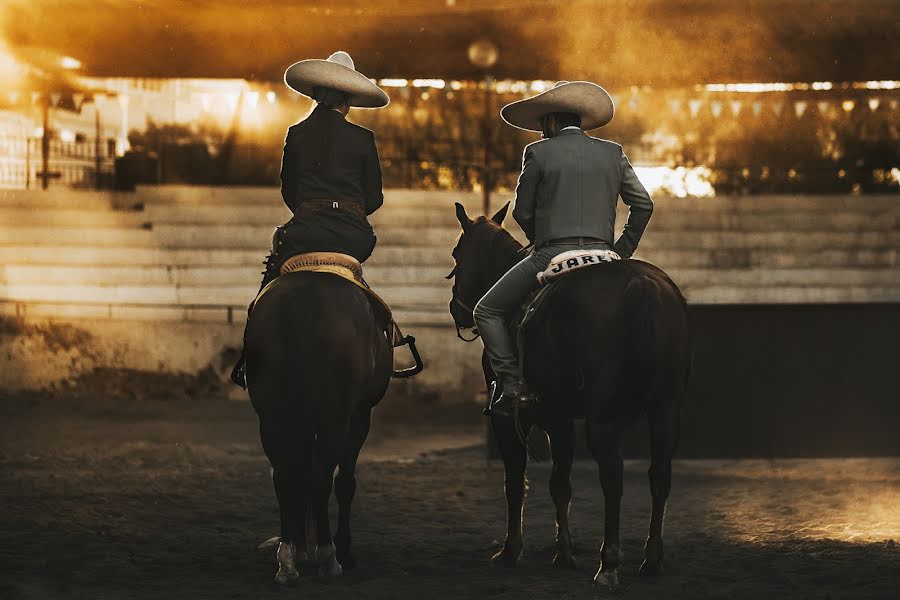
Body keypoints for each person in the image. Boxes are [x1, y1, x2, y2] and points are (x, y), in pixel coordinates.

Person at [473, 80, 654, 415]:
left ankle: (513, 387)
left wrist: (540, 241)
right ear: (578, 120)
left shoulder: (538, 152)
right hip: (605, 255)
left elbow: (522, 210)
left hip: (551, 253)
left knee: (486, 311)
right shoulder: (612, 152)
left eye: (543, 125)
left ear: (551, 122)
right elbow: (643, 205)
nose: (542, 131)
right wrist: (621, 251)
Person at [230, 51, 389, 388]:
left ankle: (247, 359)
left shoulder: (296, 133)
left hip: (304, 232)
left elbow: (289, 192)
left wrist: (313, 211)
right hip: (351, 237)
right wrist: (346, 210)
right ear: (348, 100)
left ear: (316, 94)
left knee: (267, 286)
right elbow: (374, 199)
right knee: (365, 295)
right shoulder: (363, 139)